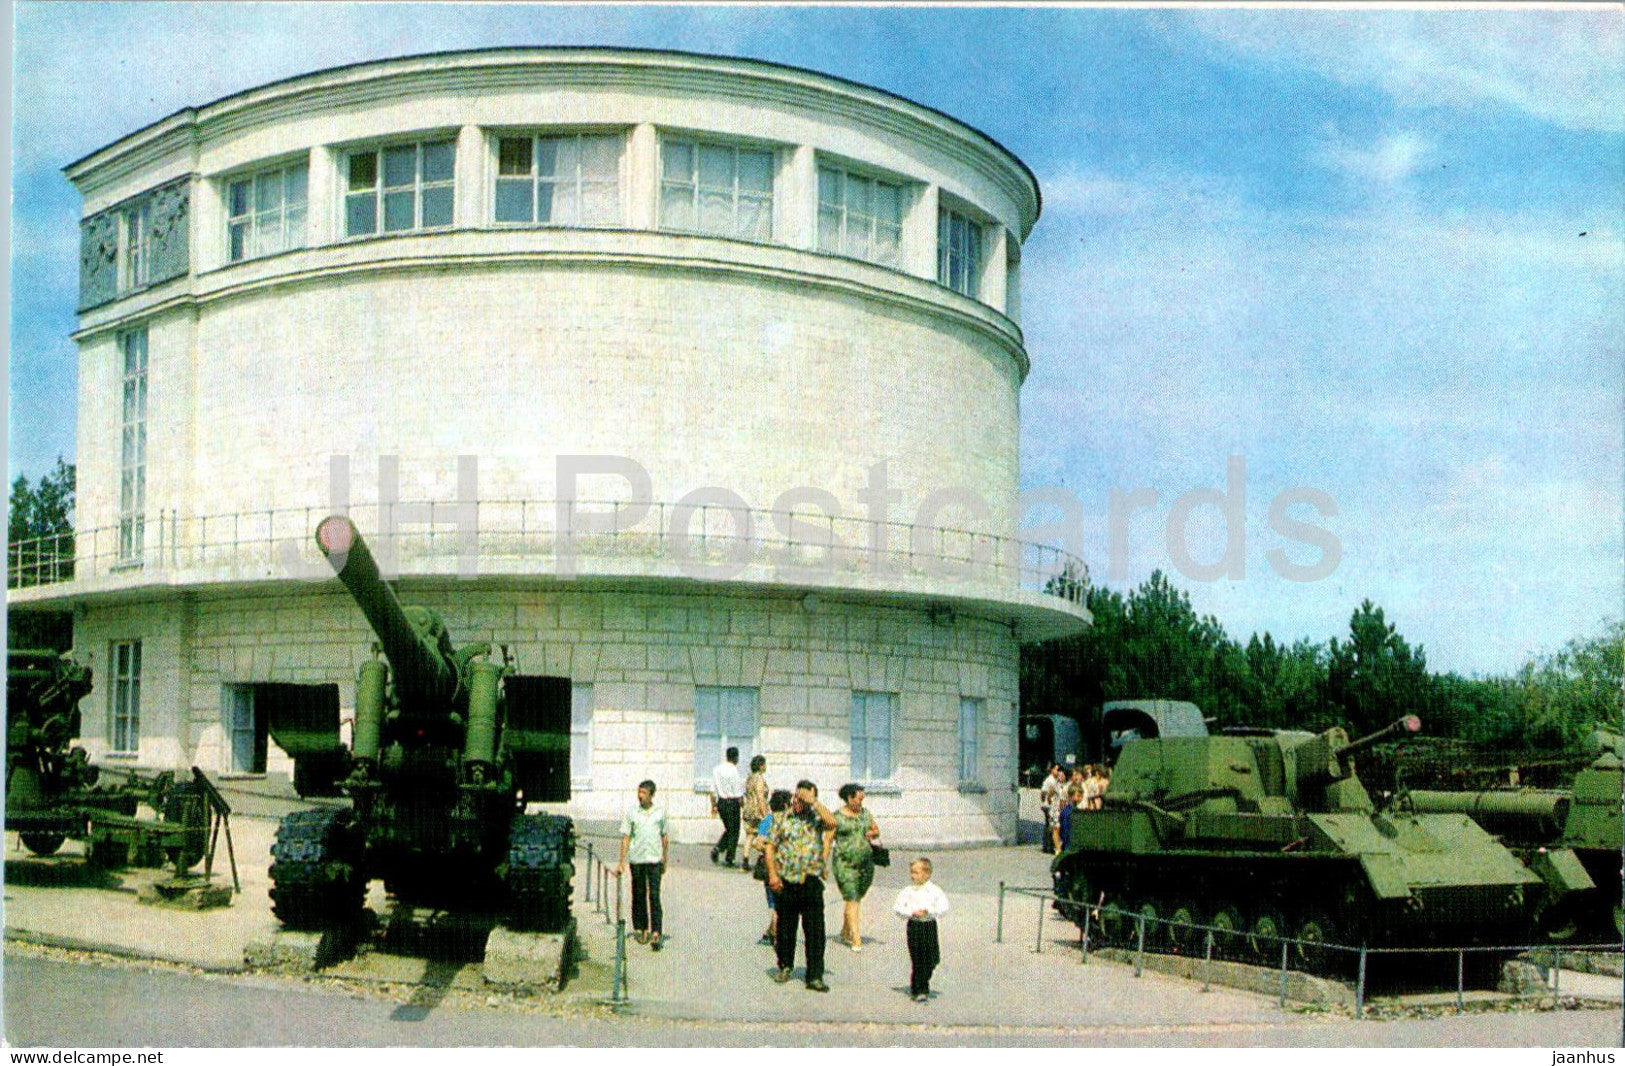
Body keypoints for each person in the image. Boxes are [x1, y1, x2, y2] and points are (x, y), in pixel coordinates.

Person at [765, 779, 837, 991]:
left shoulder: (816, 818)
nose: (798, 801)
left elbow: (832, 823)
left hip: (810, 883)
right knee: (786, 929)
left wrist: (813, 802)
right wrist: (773, 875)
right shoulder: (781, 818)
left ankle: (814, 976)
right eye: (797, 797)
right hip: (787, 882)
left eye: (803, 798)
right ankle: (785, 966)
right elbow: (770, 847)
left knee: (815, 932)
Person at [616, 779, 669, 950]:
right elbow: (626, 837)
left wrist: (665, 859)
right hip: (637, 859)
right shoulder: (632, 813)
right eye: (639, 792)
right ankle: (641, 928)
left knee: (654, 895)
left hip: (654, 860)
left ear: (651, 795)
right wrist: (621, 862)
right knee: (638, 893)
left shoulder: (660, 813)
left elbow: (664, 837)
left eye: (644, 793)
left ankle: (656, 931)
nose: (640, 796)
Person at [831, 782, 882, 950]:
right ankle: (856, 938)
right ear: (849, 798)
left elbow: (876, 830)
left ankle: (845, 931)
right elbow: (828, 839)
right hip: (844, 863)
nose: (861, 802)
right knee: (851, 897)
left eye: (862, 799)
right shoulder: (836, 817)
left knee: (856, 898)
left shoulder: (865, 814)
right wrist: (820, 862)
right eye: (859, 799)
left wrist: (872, 833)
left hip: (866, 864)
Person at [893, 857, 950, 1003]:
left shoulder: (935, 890)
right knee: (918, 958)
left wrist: (929, 911)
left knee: (932, 958)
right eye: (912, 872)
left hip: (929, 925)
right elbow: (898, 908)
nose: (913, 876)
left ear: (927, 874)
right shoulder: (907, 891)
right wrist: (911, 912)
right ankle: (919, 989)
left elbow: (944, 907)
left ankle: (921, 982)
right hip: (914, 926)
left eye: (916, 872)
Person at [756, 788, 792, 945]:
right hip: (784, 866)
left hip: (768, 867)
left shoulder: (767, 820)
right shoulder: (789, 821)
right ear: (786, 805)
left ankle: (770, 932)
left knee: (776, 902)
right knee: (781, 903)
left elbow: (758, 843)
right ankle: (773, 934)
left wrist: (768, 848)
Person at [710, 745, 745, 867]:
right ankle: (730, 858)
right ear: (736, 757)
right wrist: (743, 805)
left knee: (729, 829)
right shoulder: (734, 770)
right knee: (734, 831)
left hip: (721, 803)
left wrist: (714, 806)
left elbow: (713, 790)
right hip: (732, 803)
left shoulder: (717, 769)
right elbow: (738, 791)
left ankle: (718, 848)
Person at [741, 754, 771, 871]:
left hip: (748, 810)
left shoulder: (750, 777)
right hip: (757, 811)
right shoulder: (759, 778)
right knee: (764, 834)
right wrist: (765, 814)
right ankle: (764, 861)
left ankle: (745, 860)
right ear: (761, 766)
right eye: (764, 764)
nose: (766, 766)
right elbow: (760, 797)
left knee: (750, 835)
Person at [1038, 764, 1067, 853]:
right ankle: (1048, 846)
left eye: (1059, 771)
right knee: (1051, 827)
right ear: (1052, 770)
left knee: (1052, 827)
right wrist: (1046, 802)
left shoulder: (1061, 784)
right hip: (1049, 807)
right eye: (1056, 770)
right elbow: (1044, 793)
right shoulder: (1049, 780)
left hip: (1056, 808)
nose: (1058, 772)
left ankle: (1050, 846)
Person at [1051, 783, 1085, 854]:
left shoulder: (1076, 811)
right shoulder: (1067, 812)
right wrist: (1058, 848)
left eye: (1081, 796)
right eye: (1078, 796)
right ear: (1070, 796)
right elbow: (1063, 831)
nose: (1080, 798)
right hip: (1068, 846)